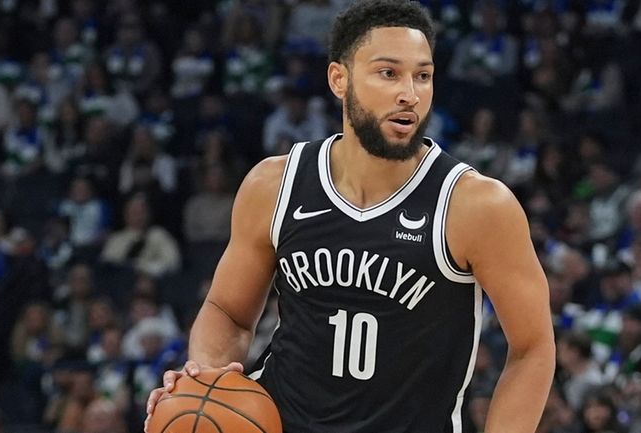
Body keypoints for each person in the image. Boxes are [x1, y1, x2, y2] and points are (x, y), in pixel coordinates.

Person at [145, 1, 555, 432]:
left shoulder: (475, 205)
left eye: (423, 76)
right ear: (339, 79)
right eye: (388, 73)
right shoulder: (274, 184)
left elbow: (532, 347)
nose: (409, 94)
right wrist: (204, 379)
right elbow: (228, 310)